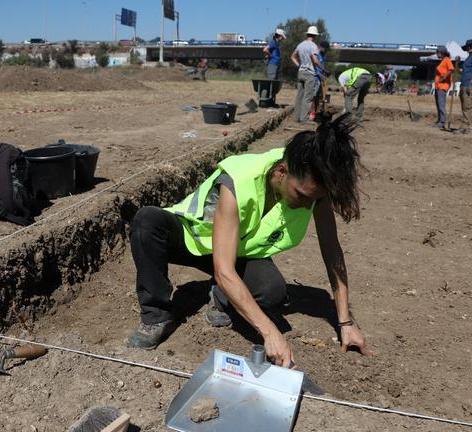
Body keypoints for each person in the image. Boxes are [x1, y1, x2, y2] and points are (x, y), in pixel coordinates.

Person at [126, 113, 370, 366]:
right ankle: (156, 317)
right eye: (302, 195)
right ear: (281, 171)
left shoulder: (313, 188)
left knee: (272, 290)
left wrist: (345, 322)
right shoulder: (240, 179)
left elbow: (332, 252)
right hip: (193, 240)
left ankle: (221, 298)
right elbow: (223, 269)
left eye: (314, 199)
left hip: (238, 253)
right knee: (147, 221)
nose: (307, 205)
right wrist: (270, 332)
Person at [291, 25, 323, 123]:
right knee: (308, 97)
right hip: (309, 74)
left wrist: (299, 65)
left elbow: (292, 56)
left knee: (299, 96)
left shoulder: (300, 45)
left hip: (301, 72)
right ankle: (304, 118)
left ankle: (296, 117)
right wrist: (323, 68)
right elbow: (315, 59)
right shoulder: (313, 46)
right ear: (315, 35)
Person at [432, 45, 454, 128]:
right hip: (438, 86)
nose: (436, 54)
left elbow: (451, 69)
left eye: (437, 52)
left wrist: (444, 78)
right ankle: (439, 120)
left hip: (443, 86)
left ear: (442, 53)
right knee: (438, 104)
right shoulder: (443, 61)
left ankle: (442, 122)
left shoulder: (447, 60)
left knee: (441, 104)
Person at [312, 41, 330, 115]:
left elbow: (322, 67)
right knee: (313, 96)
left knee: (319, 97)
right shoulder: (316, 55)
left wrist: (325, 74)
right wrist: (319, 74)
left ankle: (317, 111)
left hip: (320, 79)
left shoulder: (323, 56)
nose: (326, 51)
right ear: (322, 47)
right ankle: (312, 113)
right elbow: (314, 67)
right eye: (326, 49)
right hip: (315, 78)